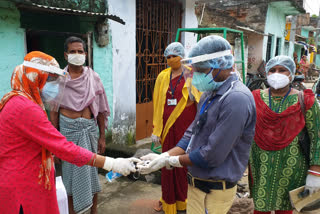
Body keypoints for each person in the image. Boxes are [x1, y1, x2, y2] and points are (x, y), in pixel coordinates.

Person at [0, 51, 138, 214]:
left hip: (21, 180)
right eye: (50, 79)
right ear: (36, 77)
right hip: (22, 188)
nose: (52, 86)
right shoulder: (26, 108)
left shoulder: (15, 99)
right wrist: (111, 163)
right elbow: (64, 148)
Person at [138, 35, 256, 214]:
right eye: (194, 71)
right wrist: (164, 156)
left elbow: (211, 155)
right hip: (196, 185)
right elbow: (192, 133)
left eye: (200, 70)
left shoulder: (236, 99)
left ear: (220, 64)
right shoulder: (210, 92)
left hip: (215, 190)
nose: (195, 76)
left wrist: (172, 161)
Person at [249, 55, 320, 214]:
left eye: (282, 70)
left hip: (292, 169)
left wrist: (315, 173)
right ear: (266, 73)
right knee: (260, 208)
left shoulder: (306, 100)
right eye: (272, 70)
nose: (276, 74)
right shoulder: (255, 98)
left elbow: (317, 137)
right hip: (261, 167)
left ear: (291, 74)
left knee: (285, 209)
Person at [49, 36, 110, 214]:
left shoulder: (94, 77)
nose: (77, 54)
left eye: (80, 51)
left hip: (89, 131)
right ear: (66, 55)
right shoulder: (58, 79)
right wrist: (55, 145)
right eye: (73, 51)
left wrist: (102, 137)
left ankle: (93, 211)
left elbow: (100, 110)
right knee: (69, 177)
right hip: (68, 133)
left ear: (85, 53)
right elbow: (53, 112)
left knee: (92, 174)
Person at [151, 42, 201, 214]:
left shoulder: (191, 75)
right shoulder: (163, 76)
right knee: (166, 164)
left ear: (182, 56)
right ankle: (168, 201)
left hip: (185, 127)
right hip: (167, 128)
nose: (171, 59)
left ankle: (184, 202)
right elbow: (157, 103)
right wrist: (156, 129)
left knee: (183, 164)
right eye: (168, 56)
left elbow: (200, 102)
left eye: (175, 56)